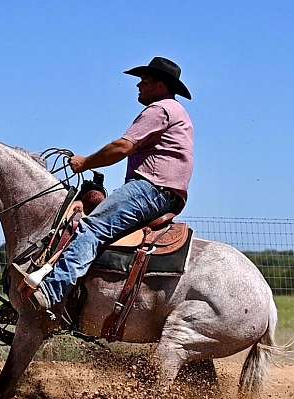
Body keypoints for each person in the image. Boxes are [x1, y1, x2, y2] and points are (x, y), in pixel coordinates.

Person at [31, 56, 194, 312]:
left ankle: (50, 294)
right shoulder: (178, 112)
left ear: (161, 86)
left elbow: (122, 147)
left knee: (92, 229)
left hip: (151, 189)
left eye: (145, 80)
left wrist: (85, 163)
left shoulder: (159, 109)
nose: (138, 85)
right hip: (166, 193)